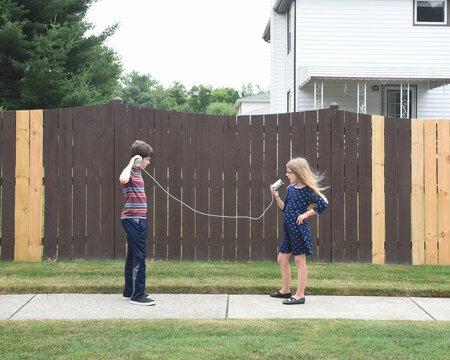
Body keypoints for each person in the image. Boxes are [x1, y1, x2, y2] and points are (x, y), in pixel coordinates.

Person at [269, 157, 328, 305]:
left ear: (299, 173)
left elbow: (323, 203)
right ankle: (285, 290)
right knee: (282, 259)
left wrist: (305, 214)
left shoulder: (308, 191)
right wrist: (276, 197)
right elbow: (284, 208)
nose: (287, 175)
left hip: (299, 230)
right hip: (288, 229)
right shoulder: (290, 189)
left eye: (290, 172)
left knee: (299, 261)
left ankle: (299, 295)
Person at [119, 140, 155, 306]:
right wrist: (131, 162)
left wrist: (135, 165)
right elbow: (123, 179)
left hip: (138, 219)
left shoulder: (138, 173)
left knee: (132, 255)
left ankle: (129, 291)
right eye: (147, 159)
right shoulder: (131, 172)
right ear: (139, 159)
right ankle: (138, 295)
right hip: (133, 220)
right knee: (140, 256)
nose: (149, 162)